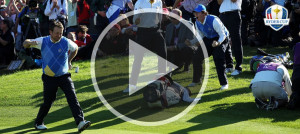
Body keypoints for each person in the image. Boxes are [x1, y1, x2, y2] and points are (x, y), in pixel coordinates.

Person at [23, 20, 91, 132]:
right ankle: (38, 122)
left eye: (61, 32)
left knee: (72, 98)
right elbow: (26, 43)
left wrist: (69, 61)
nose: (59, 35)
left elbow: (75, 49)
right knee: (48, 102)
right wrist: (29, 43)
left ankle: (80, 122)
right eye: (56, 33)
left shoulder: (65, 41)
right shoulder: (43, 41)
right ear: (50, 32)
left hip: (64, 76)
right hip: (49, 78)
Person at [124, 0, 167, 92]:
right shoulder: (139, 2)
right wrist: (137, 20)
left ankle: (163, 80)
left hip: (156, 31)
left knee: (163, 54)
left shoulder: (159, 1)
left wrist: (158, 27)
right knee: (138, 59)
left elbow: (159, 17)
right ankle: (132, 84)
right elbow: (135, 20)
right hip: (143, 32)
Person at [187, 4, 231, 90]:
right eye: (195, 13)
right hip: (209, 38)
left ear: (204, 13)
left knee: (218, 58)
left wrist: (218, 43)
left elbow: (222, 35)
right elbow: (201, 36)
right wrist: (192, 42)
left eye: (197, 13)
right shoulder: (197, 22)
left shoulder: (214, 20)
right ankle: (196, 80)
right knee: (197, 57)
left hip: (221, 38)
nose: (195, 15)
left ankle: (224, 83)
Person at [218, 0, 243, 76]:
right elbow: (219, 2)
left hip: (233, 14)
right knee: (224, 40)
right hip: (223, 15)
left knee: (236, 41)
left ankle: (238, 67)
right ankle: (229, 65)